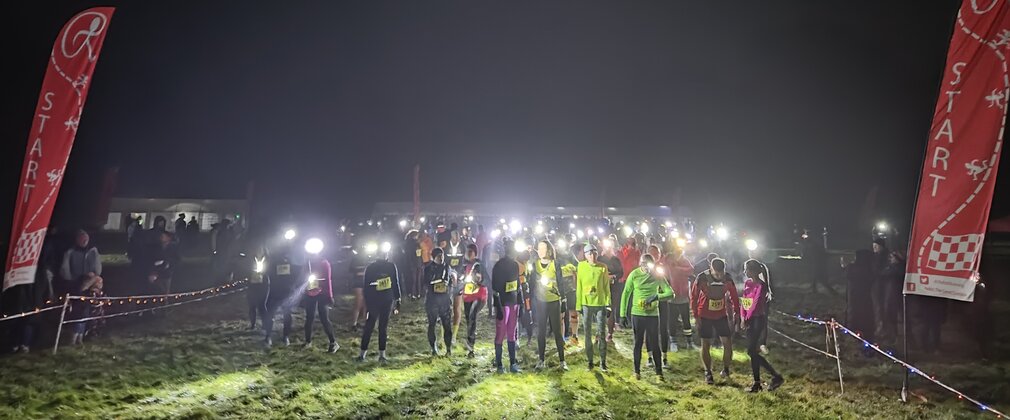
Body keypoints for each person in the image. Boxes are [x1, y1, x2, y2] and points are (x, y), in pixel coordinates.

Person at [621, 254, 673, 380]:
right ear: (640, 263)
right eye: (643, 263)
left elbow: (671, 293)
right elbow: (626, 293)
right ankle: (636, 372)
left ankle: (659, 373)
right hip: (637, 314)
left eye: (648, 263)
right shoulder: (634, 275)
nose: (645, 266)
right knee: (637, 343)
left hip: (652, 315)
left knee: (655, 343)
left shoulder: (658, 275)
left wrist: (657, 297)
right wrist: (622, 314)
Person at [691, 258, 740, 384]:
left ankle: (726, 369)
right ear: (710, 269)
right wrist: (696, 316)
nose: (719, 276)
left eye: (721, 273)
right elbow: (694, 297)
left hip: (720, 315)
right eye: (716, 274)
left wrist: (737, 313)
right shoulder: (702, 278)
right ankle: (708, 372)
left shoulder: (727, 278)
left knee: (727, 343)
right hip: (705, 315)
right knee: (706, 343)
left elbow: (734, 296)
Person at [741, 259, 784, 392]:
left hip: (757, 320)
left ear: (753, 271)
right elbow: (745, 301)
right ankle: (757, 382)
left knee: (751, 351)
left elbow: (755, 303)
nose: (745, 272)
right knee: (752, 352)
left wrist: (747, 318)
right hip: (749, 319)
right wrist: (743, 316)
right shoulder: (747, 283)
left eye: (747, 269)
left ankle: (775, 376)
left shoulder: (761, 286)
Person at [529, 240, 570, 371]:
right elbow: (532, 284)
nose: (541, 251)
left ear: (549, 250)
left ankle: (562, 361)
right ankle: (541, 360)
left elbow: (560, 282)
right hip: (540, 301)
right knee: (541, 331)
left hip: (554, 301)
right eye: (539, 248)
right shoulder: (535, 264)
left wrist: (563, 300)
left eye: (543, 248)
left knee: (557, 331)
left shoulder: (555, 264)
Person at [60, 230, 104, 345]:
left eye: (86, 239)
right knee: (78, 312)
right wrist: (72, 280)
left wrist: (93, 276)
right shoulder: (70, 252)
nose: (84, 241)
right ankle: (73, 337)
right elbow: (65, 270)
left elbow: (98, 268)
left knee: (87, 311)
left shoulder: (93, 251)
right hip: (76, 285)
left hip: (90, 284)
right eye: (82, 239)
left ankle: (81, 336)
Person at [358, 249, 401, 362]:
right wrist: (366, 303)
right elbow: (366, 286)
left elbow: (395, 282)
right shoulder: (371, 267)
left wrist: (398, 299)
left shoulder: (391, 266)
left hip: (386, 300)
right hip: (375, 300)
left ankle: (382, 355)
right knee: (370, 326)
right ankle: (363, 354)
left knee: (382, 327)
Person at [577, 243, 612, 371]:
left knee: (601, 332)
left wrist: (608, 305)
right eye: (589, 253)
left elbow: (606, 287)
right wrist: (578, 304)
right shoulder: (581, 266)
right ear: (585, 255)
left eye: (594, 253)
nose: (592, 256)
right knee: (587, 333)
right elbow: (579, 286)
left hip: (600, 303)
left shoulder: (603, 267)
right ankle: (590, 361)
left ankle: (603, 361)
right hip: (586, 303)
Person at [491, 238, 524, 373]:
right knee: (500, 334)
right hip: (503, 304)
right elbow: (495, 288)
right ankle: (499, 365)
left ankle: (512, 363)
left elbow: (517, 285)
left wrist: (520, 302)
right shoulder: (498, 266)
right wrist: (497, 307)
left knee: (512, 335)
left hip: (513, 303)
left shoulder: (515, 265)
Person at [302, 243, 337, 353]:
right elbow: (303, 277)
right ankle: (308, 342)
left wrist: (330, 295)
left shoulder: (324, 263)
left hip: (322, 293)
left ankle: (333, 343)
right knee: (309, 318)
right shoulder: (307, 263)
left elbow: (328, 280)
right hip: (310, 293)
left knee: (324, 318)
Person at [425, 248, 457, 356]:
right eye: (438, 256)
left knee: (447, 325)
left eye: (442, 255)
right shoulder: (428, 268)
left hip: (445, 301)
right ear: (433, 257)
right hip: (432, 300)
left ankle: (448, 349)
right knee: (432, 324)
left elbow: (451, 280)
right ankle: (433, 348)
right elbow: (426, 283)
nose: (441, 257)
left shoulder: (447, 267)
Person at [665, 245, 695, 351]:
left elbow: (691, 270)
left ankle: (689, 342)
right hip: (672, 295)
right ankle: (673, 342)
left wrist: (678, 268)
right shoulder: (669, 260)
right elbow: (670, 271)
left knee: (686, 320)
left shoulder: (684, 260)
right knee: (672, 321)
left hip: (683, 295)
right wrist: (681, 270)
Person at [842, 250, 876, 343]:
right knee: (864, 314)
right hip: (864, 296)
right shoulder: (869, 268)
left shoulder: (855, 268)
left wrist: (846, 266)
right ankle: (863, 331)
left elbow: (848, 275)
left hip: (855, 296)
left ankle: (854, 330)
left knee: (855, 313)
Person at [461, 244, 488, 358]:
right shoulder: (464, 265)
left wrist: (479, 280)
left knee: (472, 315)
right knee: (468, 319)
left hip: (479, 296)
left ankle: (470, 342)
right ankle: (470, 346)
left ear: (475, 253)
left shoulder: (479, 265)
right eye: (467, 251)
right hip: (468, 295)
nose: (468, 253)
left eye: (471, 251)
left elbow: (486, 279)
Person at [238, 243, 269, 331]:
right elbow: (244, 271)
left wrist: (263, 273)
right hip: (252, 285)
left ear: (264, 251)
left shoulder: (267, 260)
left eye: (260, 249)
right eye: (257, 249)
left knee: (262, 305)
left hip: (263, 285)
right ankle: (252, 325)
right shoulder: (250, 260)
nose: (259, 251)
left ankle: (265, 325)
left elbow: (270, 272)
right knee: (252, 306)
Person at [599, 237, 624, 342]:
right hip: (602, 287)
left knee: (611, 310)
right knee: (601, 309)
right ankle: (600, 332)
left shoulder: (616, 259)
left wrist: (613, 277)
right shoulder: (600, 259)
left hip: (614, 288)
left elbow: (621, 272)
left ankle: (610, 333)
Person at [446, 230, 467, 346]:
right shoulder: (446, 247)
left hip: (459, 281)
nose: (457, 238)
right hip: (448, 281)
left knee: (457, 308)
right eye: (455, 236)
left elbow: (465, 263)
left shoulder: (463, 247)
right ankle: (444, 336)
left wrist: (459, 275)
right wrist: (450, 274)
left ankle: (454, 336)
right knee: (446, 309)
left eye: (458, 237)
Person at [878, 251, 905, 341]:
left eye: (892, 257)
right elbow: (882, 274)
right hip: (890, 295)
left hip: (897, 295)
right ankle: (893, 334)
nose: (891, 259)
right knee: (890, 316)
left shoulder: (899, 268)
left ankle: (906, 337)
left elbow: (888, 274)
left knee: (901, 316)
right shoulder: (891, 267)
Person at [146, 231, 180, 295]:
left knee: (166, 287)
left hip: (168, 271)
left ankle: (166, 299)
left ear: (168, 238)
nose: (161, 238)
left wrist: (168, 262)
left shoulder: (173, 247)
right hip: (158, 270)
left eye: (163, 237)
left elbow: (176, 258)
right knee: (158, 287)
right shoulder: (158, 247)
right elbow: (153, 258)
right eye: (161, 237)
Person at [561, 242, 581, 346]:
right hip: (559, 290)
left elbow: (578, 267)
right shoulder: (555, 258)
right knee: (561, 315)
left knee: (574, 313)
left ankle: (574, 336)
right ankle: (561, 339)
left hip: (572, 289)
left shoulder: (571, 257)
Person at [403, 230, 424, 299]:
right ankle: (414, 293)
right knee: (414, 279)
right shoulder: (411, 244)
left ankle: (416, 293)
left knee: (416, 279)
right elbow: (410, 255)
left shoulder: (414, 243)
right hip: (414, 264)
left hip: (417, 263)